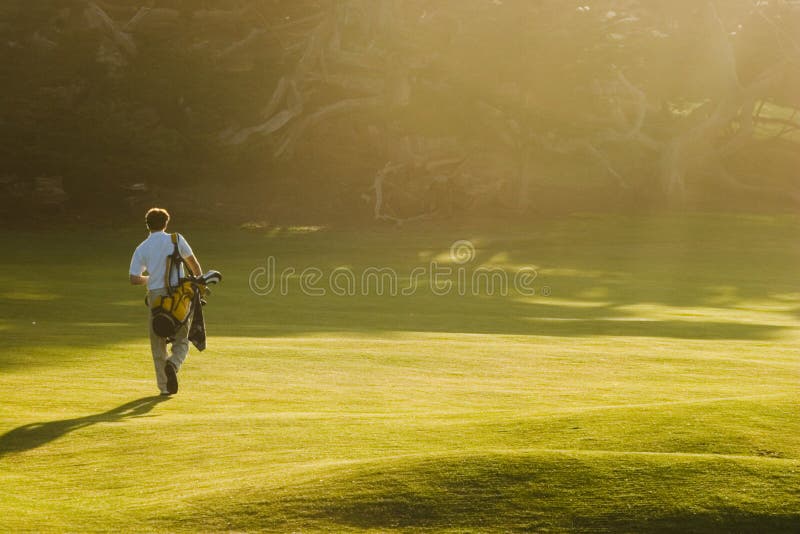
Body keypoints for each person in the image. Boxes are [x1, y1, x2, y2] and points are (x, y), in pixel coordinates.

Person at [129, 208, 203, 395]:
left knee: (158, 341)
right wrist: (198, 284)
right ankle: (174, 362)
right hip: (178, 294)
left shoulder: (142, 248)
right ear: (166, 223)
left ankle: (164, 387)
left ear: (147, 225)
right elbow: (194, 265)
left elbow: (134, 278)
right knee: (182, 337)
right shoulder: (176, 239)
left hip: (156, 296)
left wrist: (151, 278)